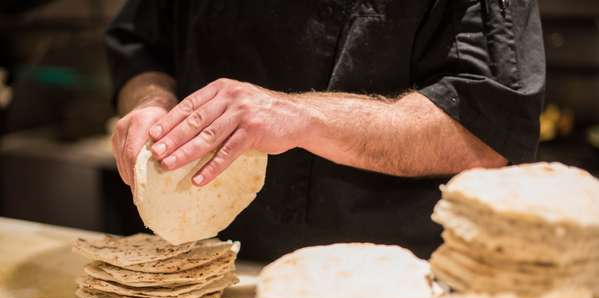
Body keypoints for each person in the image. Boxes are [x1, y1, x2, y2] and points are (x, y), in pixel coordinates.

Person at [106, 1, 545, 261]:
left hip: (391, 287)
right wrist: (151, 103)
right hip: (208, 270)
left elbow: (485, 130)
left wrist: (300, 116)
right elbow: (141, 50)